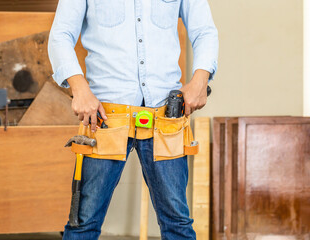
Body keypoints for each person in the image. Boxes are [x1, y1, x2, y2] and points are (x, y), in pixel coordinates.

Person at [48, 0, 218, 239]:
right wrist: (79, 87)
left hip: (165, 120)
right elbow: (61, 35)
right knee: (83, 224)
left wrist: (201, 79)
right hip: (106, 119)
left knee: (178, 225)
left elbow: (204, 31)